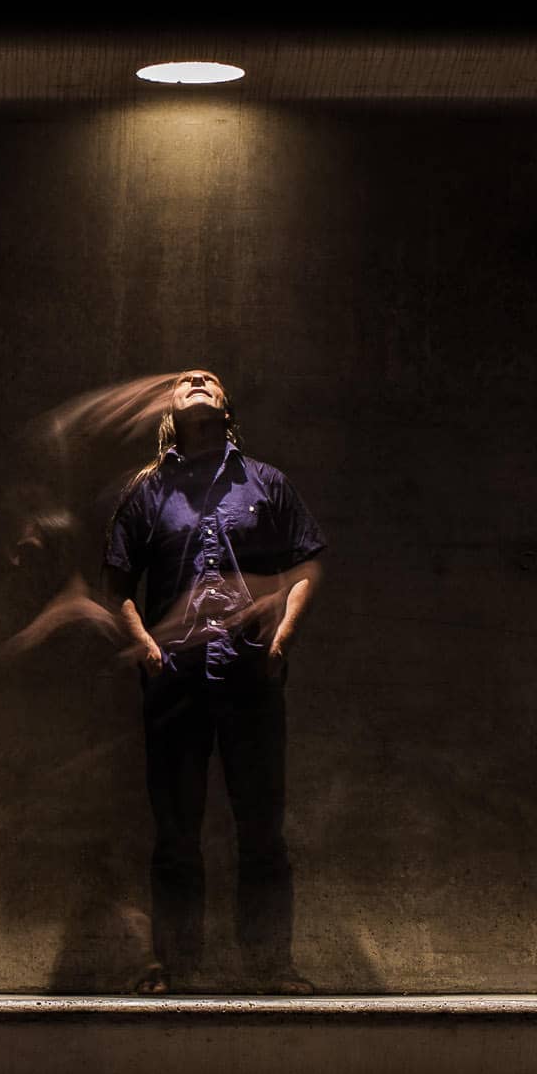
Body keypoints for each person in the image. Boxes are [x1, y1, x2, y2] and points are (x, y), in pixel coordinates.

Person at [103, 369, 326, 995]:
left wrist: (282, 639)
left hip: (251, 678)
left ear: (227, 408)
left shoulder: (266, 483)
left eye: (211, 379)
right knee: (176, 832)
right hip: (174, 684)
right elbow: (117, 585)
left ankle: (272, 968)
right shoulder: (146, 492)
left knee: (262, 830)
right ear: (170, 411)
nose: (199, 379)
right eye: (186, 380)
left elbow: (306, 563)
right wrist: (146, 645)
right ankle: (175, 968)